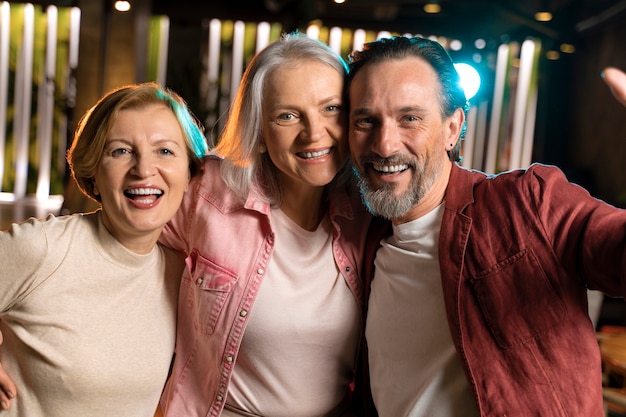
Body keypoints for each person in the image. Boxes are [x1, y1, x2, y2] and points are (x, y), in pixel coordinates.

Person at [346, 36, 626, 417]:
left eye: (410, 118)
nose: (384, 143)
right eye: (367, 120)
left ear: (452, 128)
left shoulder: (527, 202)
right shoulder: (357, 243)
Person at [158, 32, 371, 417]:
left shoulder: (370, 214)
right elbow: (104, 244)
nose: (314, 133)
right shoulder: (208, 192)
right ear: (259, 132)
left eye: (331, 109)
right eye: (287, 115)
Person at [0, 82, 207, 416]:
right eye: (121, 151)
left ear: (190, 173)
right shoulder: (44, 250)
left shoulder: (184, 274)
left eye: (165, 151)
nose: (143, 169)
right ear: (94, 173)